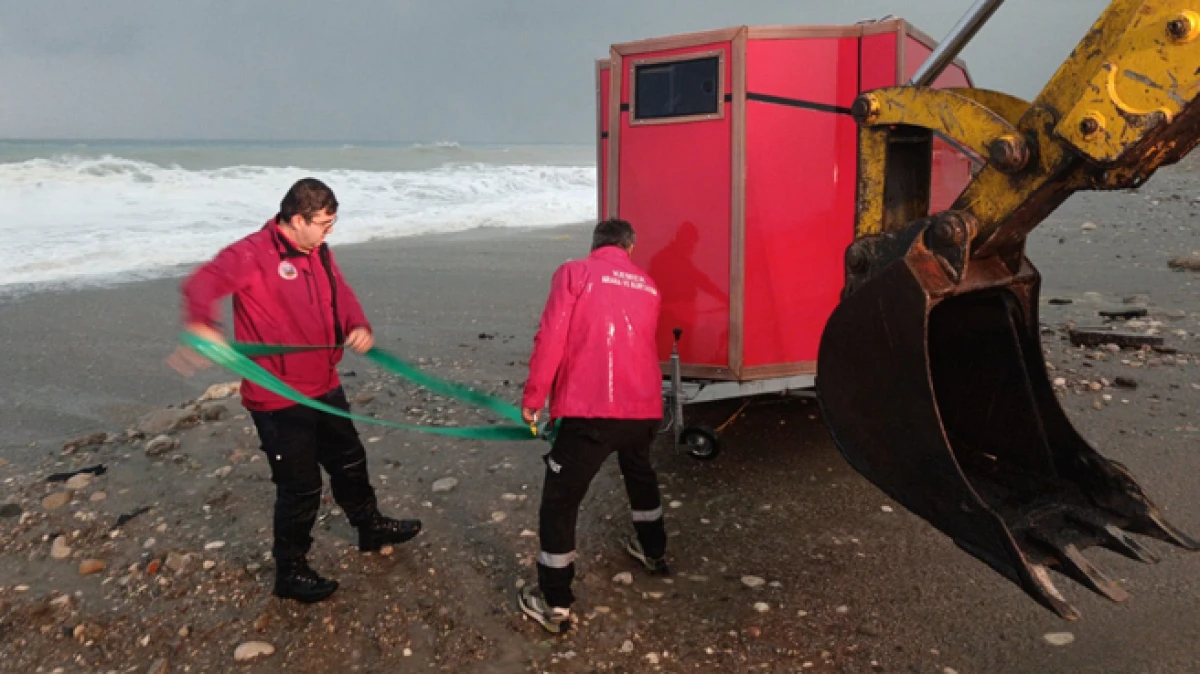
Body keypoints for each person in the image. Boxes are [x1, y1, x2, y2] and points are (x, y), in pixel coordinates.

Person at [167, 177, 422, 604]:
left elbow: (341, 294)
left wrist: (356, 326)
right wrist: (201, 325)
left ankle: (370, 527)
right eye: (324, 223)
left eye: (333, 222)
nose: (330, 231)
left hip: (325, 382)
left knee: (351, 462)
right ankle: (290, 570)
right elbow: (201, 283)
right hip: (279, 398)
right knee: (301, 488)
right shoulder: (251, 253)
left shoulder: (318, 251)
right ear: (296, 219)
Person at [516, 218, 669, 634]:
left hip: (591, 412)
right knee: (640, 474)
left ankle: (555, 602)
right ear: (630, 247)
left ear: (595, 244)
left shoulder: (574, 273)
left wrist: (533, 399)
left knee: (560, 501)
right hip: (644, 409)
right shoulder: (648, 285)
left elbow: (551, 338)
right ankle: (654, 552)